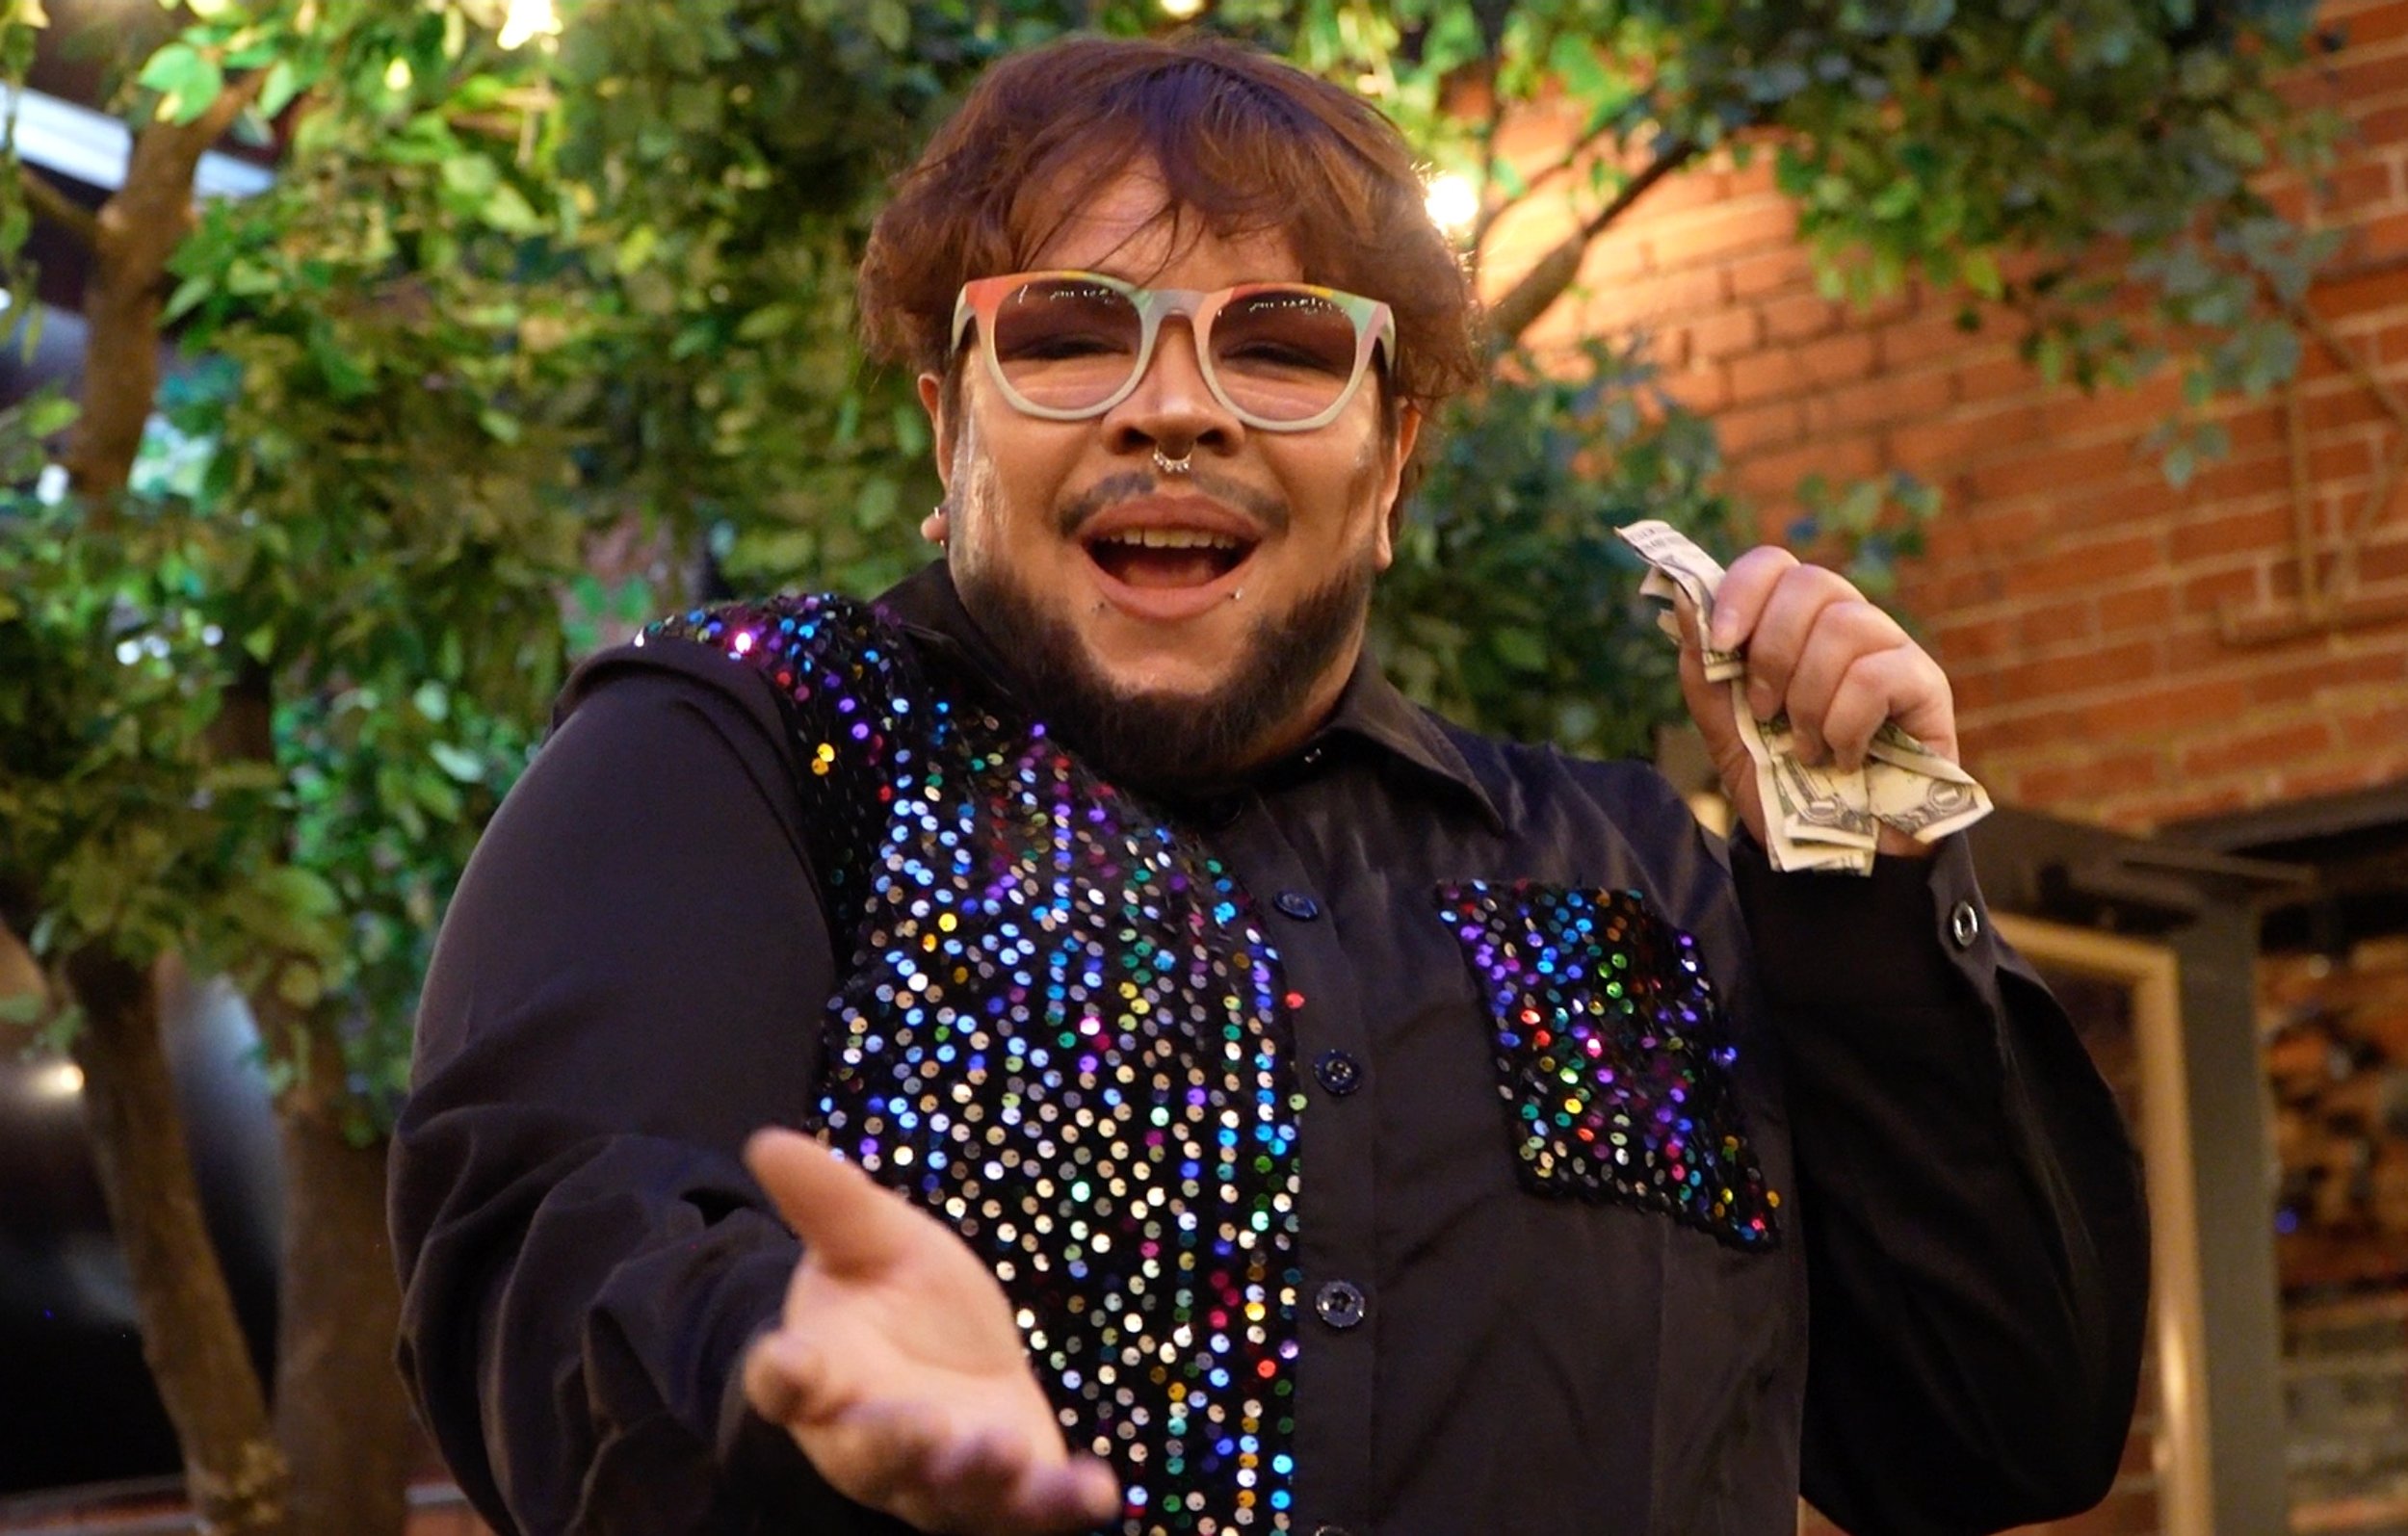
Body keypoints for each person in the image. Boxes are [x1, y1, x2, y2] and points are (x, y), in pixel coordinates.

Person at [389, 32, 2148, 1536]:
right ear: (950, 430)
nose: (1178, 408)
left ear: (1390, 465)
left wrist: (1867, 875)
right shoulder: (747, 747)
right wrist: (774, 1361)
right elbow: (549, 1243)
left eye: (1285, 344)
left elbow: (1995, 1429)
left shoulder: (1629, 872)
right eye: (1075, 333)